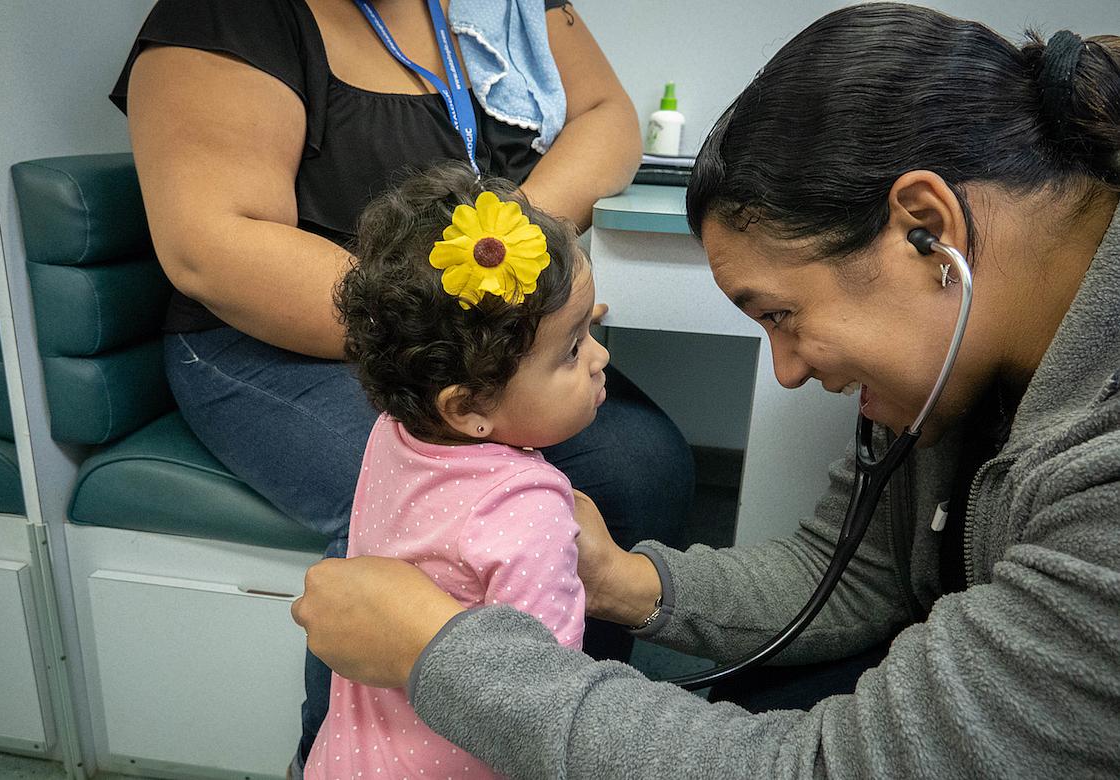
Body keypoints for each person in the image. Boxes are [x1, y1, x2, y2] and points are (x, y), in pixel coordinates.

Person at [291, 3, 1120, 776]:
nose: (789, 369)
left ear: (925, 229)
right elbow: (853, 575)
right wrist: (623, 580)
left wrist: (442, 655)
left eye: (783, 314)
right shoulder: (952, 355)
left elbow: (825, 767)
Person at [109, 0, 694, 772]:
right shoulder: (230, 16)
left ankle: (574, 729)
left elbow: (604, 113)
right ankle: (348, 755)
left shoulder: (505, 8)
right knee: (436, 517)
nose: (600, 358)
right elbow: (212, 249)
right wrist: (453, 316)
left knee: (639, 463)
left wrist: (505, 258)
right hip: (274, 338)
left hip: (478, 339)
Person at [309, 162, 603, 778]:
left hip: (347, 757)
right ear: (468, 407)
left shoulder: (394, 434)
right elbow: (541, 702)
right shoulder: (528, 510)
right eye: (573, 348)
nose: (602, 358)